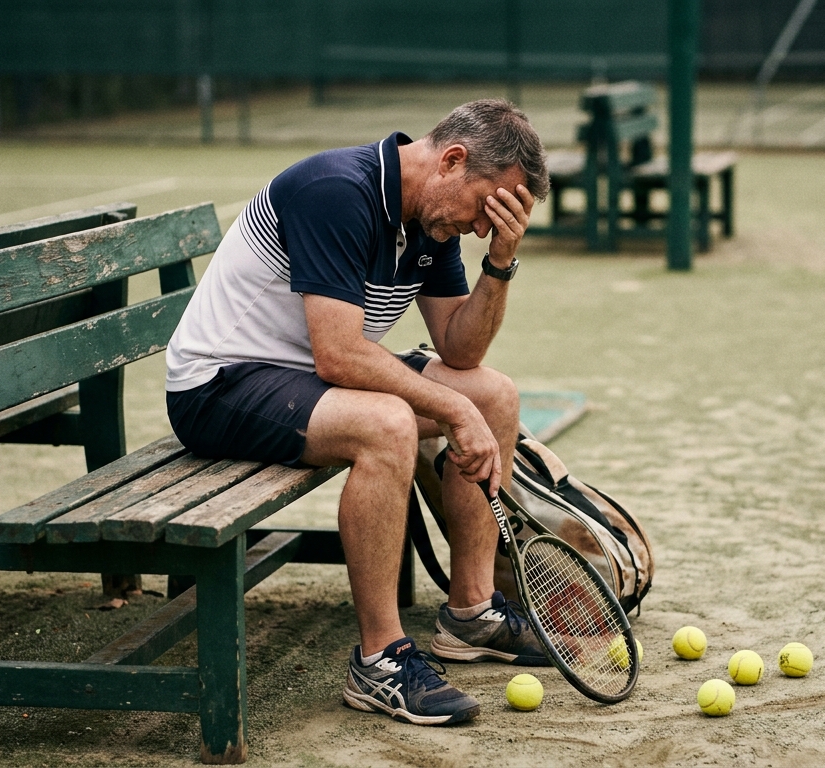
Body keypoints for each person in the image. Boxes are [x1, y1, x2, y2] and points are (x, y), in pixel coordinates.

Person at [164, 99, 551, 726]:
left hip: (298, 375)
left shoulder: (434, 220)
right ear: (452, 161)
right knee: (388, 426)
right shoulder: (336, 191)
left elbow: (460, 348)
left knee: (494, 395)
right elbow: (340, 356)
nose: (484, 227)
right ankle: (379, 660)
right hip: (218, 383)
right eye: (487, 208)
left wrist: (501, 262)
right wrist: (451, 410)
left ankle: (471, 613)